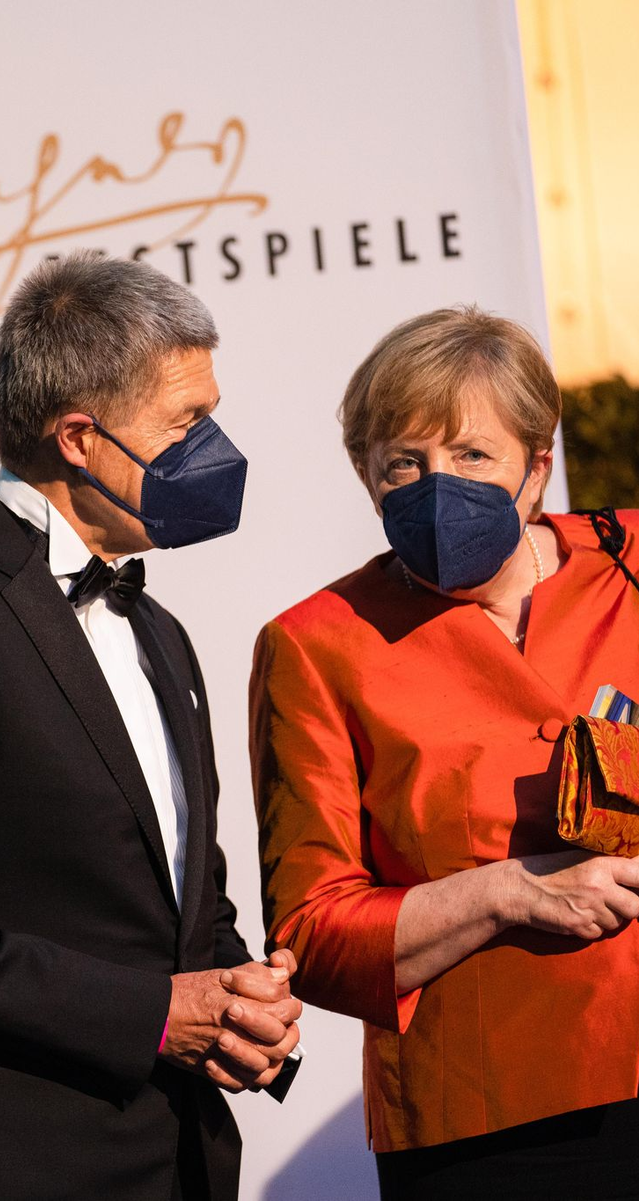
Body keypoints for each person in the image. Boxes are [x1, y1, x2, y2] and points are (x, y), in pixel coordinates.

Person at [0, 251, 301, 1201]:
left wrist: (244, 1002)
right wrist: (154, 1013)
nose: (211, 449)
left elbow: (185, 902)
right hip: (8, 1164)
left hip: (173, 1161)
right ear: (80, 437)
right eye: (186, 425)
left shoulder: (158, 631)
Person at [250, 305, 639, 1199]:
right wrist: (509, 890)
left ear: (537, 469)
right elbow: (312, 931)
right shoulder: (318, 645)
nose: (439, 484)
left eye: (472, 455)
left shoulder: (627, 568)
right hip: (487, 1123)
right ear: (366, 475)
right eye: (405, 462)